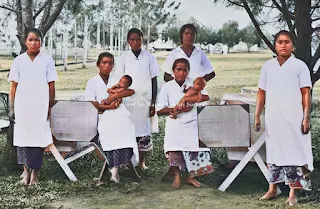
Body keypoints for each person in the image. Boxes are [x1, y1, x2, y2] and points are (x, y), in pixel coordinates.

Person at [254, 30, 313, 206]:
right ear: (275, 44)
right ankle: (272, 189)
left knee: (293, 152)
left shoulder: (300, 66)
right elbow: (261, 92)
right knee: (273, 151)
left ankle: (293, 192)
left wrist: (306, 117)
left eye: (287, 42)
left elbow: (306, 93)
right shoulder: (268, 66)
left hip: (294, 118)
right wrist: (257, 115)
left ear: (293, 45)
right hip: (274, 117)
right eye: (280, 42)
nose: (283, 45)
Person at [8, 28, 58, 185]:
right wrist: (12, 107)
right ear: (25, 42)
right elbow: (13, 87)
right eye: (30, 40)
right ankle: (25, 172)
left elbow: (51, 85)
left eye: (37, 39)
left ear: (41, 42)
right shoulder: (18, 61)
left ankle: (35, 173)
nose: (34, 43)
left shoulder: (47, 60)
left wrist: (49, 106)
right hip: (22, 106)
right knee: (23, 138)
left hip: (40, 106)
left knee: (38, 139)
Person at [156, 58, 214, 189]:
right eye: (178, 69)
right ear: (173, 71)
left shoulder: (194, 83)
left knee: (197, 147)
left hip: (192, 122)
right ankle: (177, 175)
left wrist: (187, 99)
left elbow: (205, 97)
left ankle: (191, 177)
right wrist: (175, 109)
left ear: (188, 71)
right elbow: (159, 109)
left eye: (184, 70)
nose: (181, 73)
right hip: (175, 122)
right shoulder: (167, 87)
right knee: (174, 147)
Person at [85, 52, 139, 183]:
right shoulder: (92, 82)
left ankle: (117, 169)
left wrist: (113, 97)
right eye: (104, 63)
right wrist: (110, 107)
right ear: (98, 64)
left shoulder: (118, 80)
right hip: (104, 116)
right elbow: (93, 105)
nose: (107, 65)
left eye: (110, 63)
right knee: (110, 135)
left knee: (127, 132)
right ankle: (113, 170)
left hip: (120, 115)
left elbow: (131, 91)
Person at [116, 28, 159, 170]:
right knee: (128, 130)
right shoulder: (123, 58)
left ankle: (141, 162)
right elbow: (119, 81)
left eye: (138, 39)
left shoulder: (150, 57)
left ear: (142, 40)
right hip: (128, 100)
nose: (135, 42)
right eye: (132, 39)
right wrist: (119, 99)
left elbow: (154, 80)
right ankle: (128, 163)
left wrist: (153, 103)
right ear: (128, 41)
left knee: (143, 130)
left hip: (144, 101)